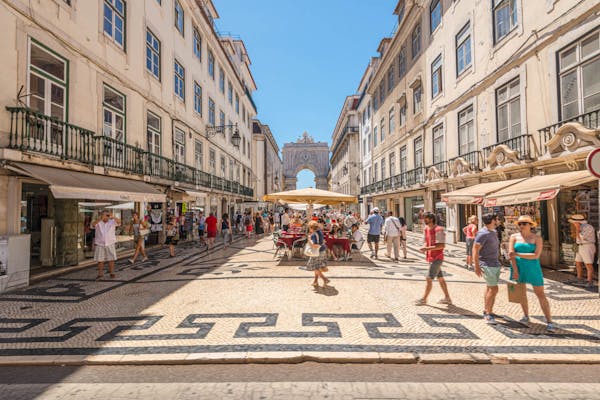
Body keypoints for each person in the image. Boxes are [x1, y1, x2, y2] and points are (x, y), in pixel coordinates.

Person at [508, 215, 555, 332]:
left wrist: (517, 254)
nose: (521, 225)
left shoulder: (537, 238)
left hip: (533, 267)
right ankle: (525, 315)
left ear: (530, 225)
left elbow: (536, 255)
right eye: (520, 223)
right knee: (521, 293)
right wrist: (515, 270)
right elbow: (510, 255)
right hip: (518, 267)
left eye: (524, 223)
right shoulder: (513, 237)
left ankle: (549, 321)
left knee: (540, 294)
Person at [415, 212, 452, 306]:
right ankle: (447, 298)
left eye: (425, 218)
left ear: (431, 219)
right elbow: (426, 242)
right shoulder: (426, 229)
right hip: (431, 257)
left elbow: (441, 245)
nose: (423, 220)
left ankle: (424, 299)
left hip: (437, 258)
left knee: (428, 278)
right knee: (440, 278)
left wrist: (426, 249)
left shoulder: (439, 230)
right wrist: (424, 248)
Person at [473, 213, 501, 324]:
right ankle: (488, 314)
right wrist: (477, 266)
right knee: (494, 289)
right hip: (487, 264)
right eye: (497, 219)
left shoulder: (493, 232)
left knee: (490, 288)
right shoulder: (482, 233)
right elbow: (475, 250)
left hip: (495, 263)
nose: (498, 221)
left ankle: (488, 310)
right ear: (492, 220)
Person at [568, 214, 596, 288]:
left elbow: (581, 237)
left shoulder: (588, 227)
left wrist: (577, 229)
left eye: (574, 222)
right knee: (578, 262)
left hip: (587, 246)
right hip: (580, 246)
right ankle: (579, 277)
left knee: (588, 264)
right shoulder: (578, 227)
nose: (573, 223)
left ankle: (590, 280)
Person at [92, 210, 121, 280]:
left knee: (111, 258)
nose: (107, 217)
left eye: (108, 215)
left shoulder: (112, 222)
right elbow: (93, 225)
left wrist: (113, 216)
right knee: (100, 259)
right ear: (102, 215)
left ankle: (111, 272)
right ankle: (100, 274)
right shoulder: (98, 222)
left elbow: (119, 222)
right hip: (100, 243)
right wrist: (101, 218)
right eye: (105, 215)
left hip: (110, 243)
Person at [302, 220, 330, 287]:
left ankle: (325, 279)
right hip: (322, 251)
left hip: (317, 252)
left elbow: (315, 245)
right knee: (317, 266)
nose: (309, 229)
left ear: (311, 227)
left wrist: (309, 240)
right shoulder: (319, 231)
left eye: (309, 228)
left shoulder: (315, 234)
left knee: (313, 266)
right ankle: (315, 281)